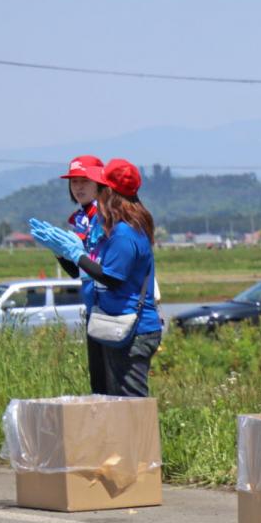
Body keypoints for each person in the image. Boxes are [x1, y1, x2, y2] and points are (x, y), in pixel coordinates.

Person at [33, 160, 162, 397]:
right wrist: (62, 252)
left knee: (130, 403)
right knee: (108, 398)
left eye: (98, 186)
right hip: (110, 321)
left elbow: (112, 278)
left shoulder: (124, 232)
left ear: (108, 191)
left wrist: (76, 254)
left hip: (131, 327)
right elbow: (86, 271)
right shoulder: (114, 227)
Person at [31, 155, 108, 393]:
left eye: (85, 181)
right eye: (74, 182)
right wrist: (59, 252)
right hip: (92, 305)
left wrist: (75, 252)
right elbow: (76, 271)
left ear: (99, 182)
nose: (78, 187)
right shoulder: (80, 218)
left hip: (110, 305)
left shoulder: (106, 214)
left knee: (112, 384)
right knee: (99, 383)